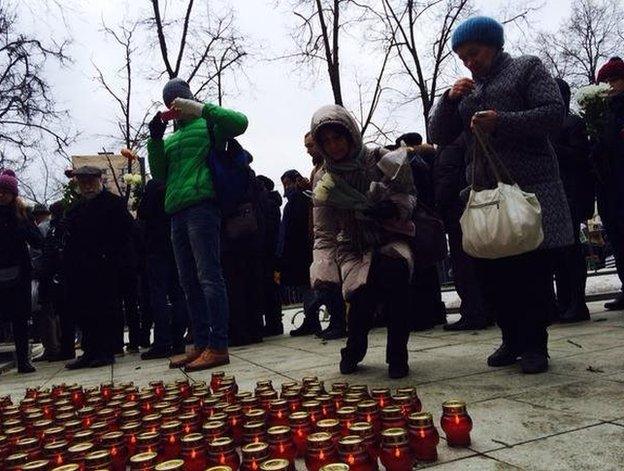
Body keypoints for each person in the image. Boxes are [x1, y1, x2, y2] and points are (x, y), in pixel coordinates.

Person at [429, 16, 571, 374]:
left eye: (474, 53)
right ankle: (511, 338)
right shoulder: (467, 90)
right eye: (463, 58)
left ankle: (535, 343)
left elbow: (554, 114)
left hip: (529, 186)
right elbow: (440, 134)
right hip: (484, 192)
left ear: (493, 44)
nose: (469, 62)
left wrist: (502, 121)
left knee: (530, 269)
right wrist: (447, 101)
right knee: (492, 269)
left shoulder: (527, 68)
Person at [147, 77, 248, 372]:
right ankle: (201, 344)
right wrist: (154, 140)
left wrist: (201, 108)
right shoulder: (171, 138)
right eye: (169, 104)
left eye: (177, 101)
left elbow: (240, 122)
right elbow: (160, 174)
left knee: (208, 276)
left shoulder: (208, 126)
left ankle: (218, 345)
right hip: (176, 210)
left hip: (202, 206)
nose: (173, 107)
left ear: (187, 99)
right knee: (188, 282)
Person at [310, 104, 417, 379]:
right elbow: (323, 231)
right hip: (353, 247)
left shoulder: (379, 158)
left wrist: (393, 208)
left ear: (351, 135)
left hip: (389, 237)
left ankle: (397, 356)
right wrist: (323, 272)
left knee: (396, 288)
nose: (334, 146)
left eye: (338, 138)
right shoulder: (325, 178)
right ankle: (354, 349)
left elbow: (408, 193)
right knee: (360, 301)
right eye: (327, 141)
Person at [63, 166, 134, 369]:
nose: (87, 187)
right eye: (82, 183)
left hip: (106, 267)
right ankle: (90, 350)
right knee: (85, 310)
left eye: (90, 182)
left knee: (106, 309)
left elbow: (125, 233)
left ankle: (106, 350)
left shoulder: (113, 204)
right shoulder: (75, 210)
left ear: (98, 181)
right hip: (82, 269)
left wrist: (110, 255)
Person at [433, 134, 493, 330]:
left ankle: (473, 312)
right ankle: (482, 310)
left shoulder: (450, 145)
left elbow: (447, 181)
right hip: (465, 210)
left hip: (457, 212)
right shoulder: (462, 142)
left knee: (464, 266)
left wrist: (439, 206)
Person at [551, 78, 595, 323]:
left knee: (571, 253)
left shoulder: (573, 123)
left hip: (571, 196)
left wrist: (553, 148)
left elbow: (580, 159)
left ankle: (577, 303)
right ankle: (565, 301)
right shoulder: (552, 125)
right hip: (558, 196)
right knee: (559, 254)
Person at [396, 133, 448, 331]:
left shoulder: (412, 162)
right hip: (431, 217)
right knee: (429, 267)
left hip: (417, 218)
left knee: (418, 269)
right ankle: (435, 311)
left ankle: (423, 315)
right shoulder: (431, 158)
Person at [138, 179, 188, 360]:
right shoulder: (175, 184)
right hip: (175, 245)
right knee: (178, 294)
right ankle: (178, 340)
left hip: (156, 248)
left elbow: (143, 213)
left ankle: (163, 341)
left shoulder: (153, 187)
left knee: (158, 297)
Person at [0, 169, 43, 373]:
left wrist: (22, 227)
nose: (2, 195)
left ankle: (23, 359)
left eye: (5, 191)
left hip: (19, 274)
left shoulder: (22, 214)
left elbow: (37, 240)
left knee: (20, 318)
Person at [594, 57, 624, 311]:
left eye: (613, 80)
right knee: (617, 237)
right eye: (604, 82)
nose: (609, 86)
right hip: (610, 186)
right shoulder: (601, 114)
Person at [39, 201, 72, 361]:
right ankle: (66, 347)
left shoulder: (58, 228)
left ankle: (67, 348)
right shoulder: (54, 228)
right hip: (57, 274)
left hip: (60, 274)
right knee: (62, 313)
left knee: (64, 314)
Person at [31, 204, 62, 362]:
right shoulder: (54, 226)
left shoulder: (42, 229)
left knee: (46, 313)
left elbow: (37, 254)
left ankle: (51, 347)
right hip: (57, 275)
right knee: (56, 313)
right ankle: (58, 344)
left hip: (45, 276)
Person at [256, 175, 284, 336]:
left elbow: (269, 231)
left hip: (268, 253)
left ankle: (274, 323)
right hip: (271, 252)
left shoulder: (268, 205)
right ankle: (274, 323)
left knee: (269, 289)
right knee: (270, 289)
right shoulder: (273, 204)